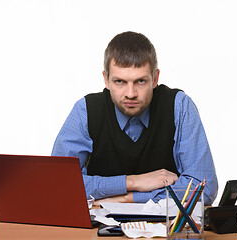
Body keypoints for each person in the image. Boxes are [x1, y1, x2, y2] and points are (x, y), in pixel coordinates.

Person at [52, 31, 218, 205]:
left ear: (155, 79)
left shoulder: (179, 106)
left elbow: (203, 189)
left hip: (165, 229)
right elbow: (58, 183)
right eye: (119, 82)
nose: (130, 94)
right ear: (106, 80)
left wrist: (126, 198)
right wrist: (133, 182)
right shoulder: (85, 110)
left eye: (140, 81)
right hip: (98, 230)